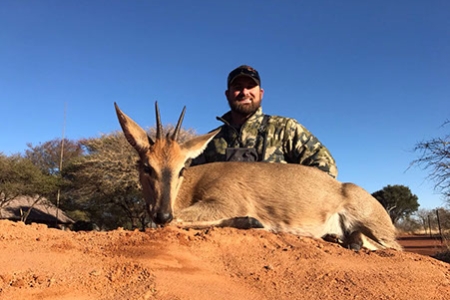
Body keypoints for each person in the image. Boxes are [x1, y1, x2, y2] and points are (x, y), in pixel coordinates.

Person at [191, 65, 338, 178]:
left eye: (250, 87)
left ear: (261, 93)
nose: (244, 92)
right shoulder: (210, 140)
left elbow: (326, 167)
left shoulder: (285, 128)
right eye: (237, 87)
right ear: (227, 94)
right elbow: (189, 178)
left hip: (277, 213)